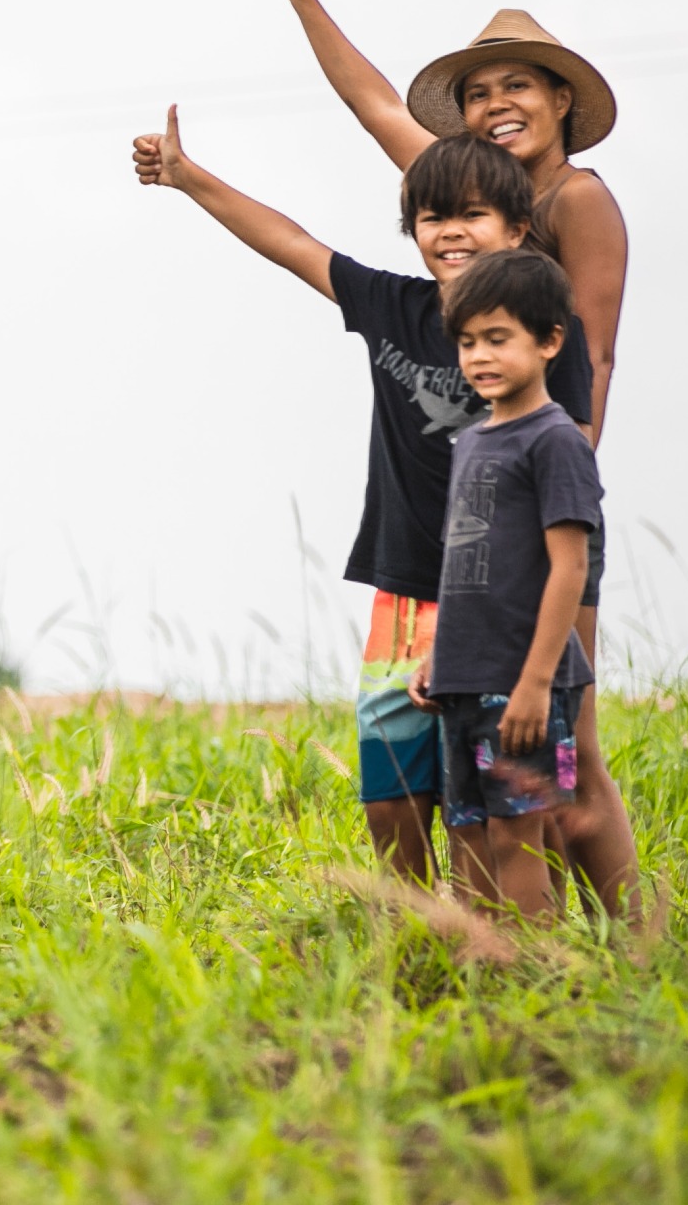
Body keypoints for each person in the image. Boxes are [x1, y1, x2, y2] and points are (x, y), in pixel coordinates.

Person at [131, 112, 590, 885]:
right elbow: (292, 243)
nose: (451, 231)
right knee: (391, 802)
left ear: (516, 230)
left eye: (473, 215)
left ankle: (517, 947)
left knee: (499, 821)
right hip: (401, 598)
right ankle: (418, 945)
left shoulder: (548, 333)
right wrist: (186, 176)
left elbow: (565, 477)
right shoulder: (393, 307)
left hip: (499, 603)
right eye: (432, 216)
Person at [284, 0, 639, 910]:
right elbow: (372, 104)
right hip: (463, 518)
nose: (496, 106)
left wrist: (544, 491)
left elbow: (595, 354)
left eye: (517, 86)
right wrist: (305, 0)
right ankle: (513, 934)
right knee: (497, 771)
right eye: (478, 93)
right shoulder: (470, 193)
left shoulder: (574, 199)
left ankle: (634, 940)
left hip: (541, 503)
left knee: (566, 757)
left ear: (561, 99)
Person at [409, 248, 604, 927]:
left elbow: (569, 568)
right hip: (462, 678)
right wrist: (439, 655)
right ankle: (483, 963)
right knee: (466, 830)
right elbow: (465, 565)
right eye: (467, 342)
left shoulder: (555, 441)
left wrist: (535, 684)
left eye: (498, 338)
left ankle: (536, 967)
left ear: (549, 341)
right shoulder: (469, 442)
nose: (479, 356)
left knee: (519, 833)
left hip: (526, 683)